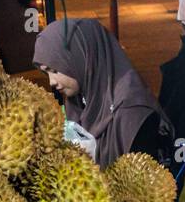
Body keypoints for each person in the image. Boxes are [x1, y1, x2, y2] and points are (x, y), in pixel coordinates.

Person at [33, 18, 174, 165]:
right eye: (46, 73)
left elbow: (139, 182)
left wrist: (95, 160)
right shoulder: (81, 97)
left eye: (55, 70)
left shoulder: (132, 113)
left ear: (81, 58)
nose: (51, 81)